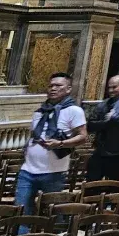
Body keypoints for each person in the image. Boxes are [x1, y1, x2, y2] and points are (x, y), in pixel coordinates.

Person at [16, 73, 87, 215]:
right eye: (51, 85)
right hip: (28, 170)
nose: (53, 88)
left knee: (52, 213)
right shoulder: (40, 111)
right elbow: (34, 136)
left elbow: (83, 137)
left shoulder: (74, 110)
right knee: (20, 211)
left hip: (54, 172)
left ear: (68, 89)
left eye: (58, 86)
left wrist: (60, 143)